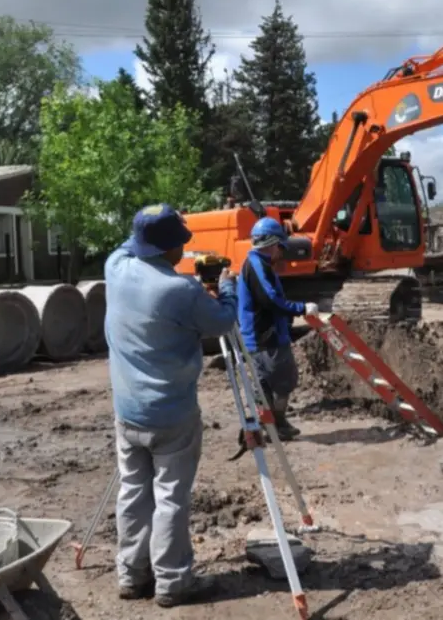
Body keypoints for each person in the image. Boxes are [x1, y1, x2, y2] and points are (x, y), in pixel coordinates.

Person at [104, 204, 239, 608]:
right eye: (180, 242)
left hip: (127, 410)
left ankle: (131, 575)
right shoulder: (180, 290)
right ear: (170, 248)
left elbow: (128, 246)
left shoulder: (115, 267)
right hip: (171, 414)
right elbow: (223, 322)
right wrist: (226, 286)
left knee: (133, 492)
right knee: (170, 499)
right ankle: (173, 582)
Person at [237, 216, 319, 441]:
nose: (281, 252)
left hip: (257, 337)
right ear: (272, 244)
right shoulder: (257, 265)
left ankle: (270, 425)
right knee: (284, 380)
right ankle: (277, 423)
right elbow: (270, 299)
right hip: (267, 337)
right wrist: (301, 308)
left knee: (263, 383)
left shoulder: (255, 264)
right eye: (280, 246)